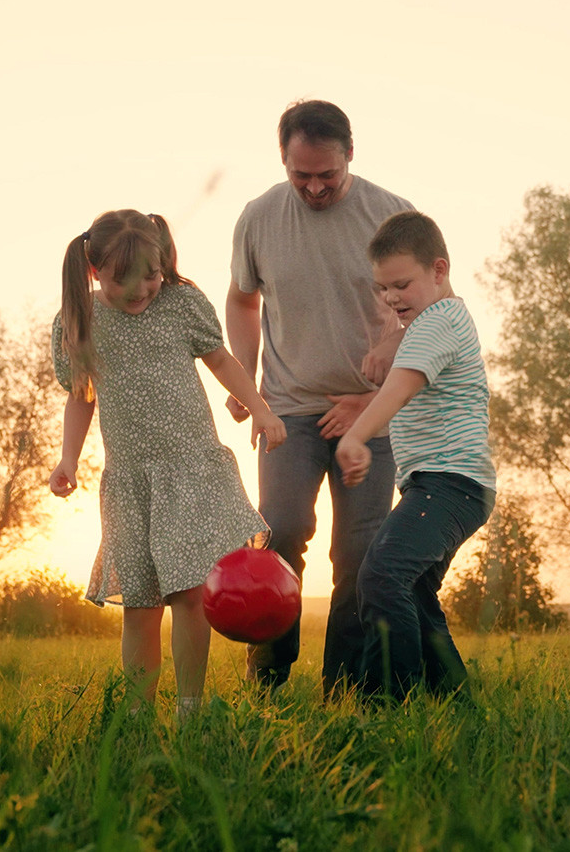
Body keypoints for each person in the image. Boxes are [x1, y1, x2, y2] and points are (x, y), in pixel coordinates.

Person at [49, 209, 287, 720]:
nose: (142, 290)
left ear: (164, 264)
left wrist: (263, 411)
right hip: (132, 481)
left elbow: (221, 360)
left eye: (152, 275)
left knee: (190, 596)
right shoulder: (82, 319)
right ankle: (137, 716)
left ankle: (190, 708)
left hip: (192, 471)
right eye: (124, 281)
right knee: (139, 606)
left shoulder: (181, 303)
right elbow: (81, 395)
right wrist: (68, 459)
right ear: (95, 272)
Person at [226, 100, 414, 696]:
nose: (313, 187)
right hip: (288, 409)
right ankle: (269, 675)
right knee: (280, 531)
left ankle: (345, 687)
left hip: (371, 412)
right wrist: (249, 383)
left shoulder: (390, 217)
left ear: (350, 156)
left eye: (326, 175)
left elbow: (427, 312)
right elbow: (241, 299)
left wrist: (372, 397)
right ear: (283, 161)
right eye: (299, 175)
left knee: (359, 553)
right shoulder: (258, 217)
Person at [335, 211, 496, 700]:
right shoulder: (438, 321)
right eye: (383, 289)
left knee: (381, 579)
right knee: (413, 596)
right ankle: (455, 704)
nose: (391, 298)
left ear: (439, 270)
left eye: (402, 284)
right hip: (450, 486)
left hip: (451, 484)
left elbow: (399, 390)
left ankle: (388, 707)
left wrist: (354, 437)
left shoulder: (438, 322)